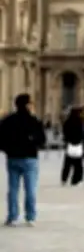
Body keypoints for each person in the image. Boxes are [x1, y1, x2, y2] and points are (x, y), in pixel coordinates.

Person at [0, 93, 46, 227]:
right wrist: (33, 144)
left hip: (13, 158)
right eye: (31, 103)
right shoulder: (33, 121)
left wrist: (8, 150)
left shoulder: (8, 120)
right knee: (30, 189)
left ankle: (12, 216)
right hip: (29, 158)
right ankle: (30, 216)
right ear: (27, 105)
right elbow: (42, 140)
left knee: (13, 189)